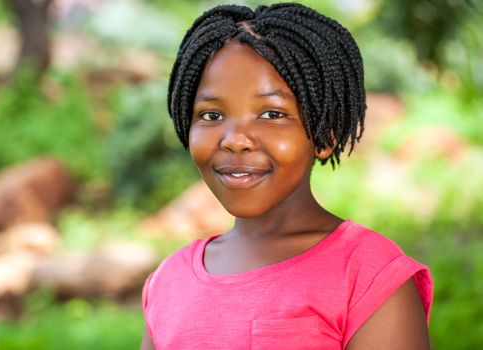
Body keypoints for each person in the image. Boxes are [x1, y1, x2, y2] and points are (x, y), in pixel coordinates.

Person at [140, 3, 433, 349]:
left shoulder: (368, 275)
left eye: (271, 113)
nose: (234, 139)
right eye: (212, 115)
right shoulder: (169, 282)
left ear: (324, 136)